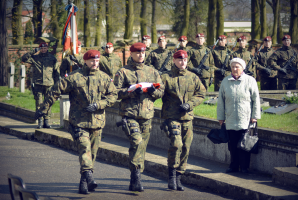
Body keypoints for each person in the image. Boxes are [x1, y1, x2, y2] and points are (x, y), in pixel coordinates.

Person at [34, 50, 118, 194]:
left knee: (92, 154)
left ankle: (83, 182)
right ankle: (90, 178)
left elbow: (113, 95)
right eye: (92, 60)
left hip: (97, 123)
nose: (94, 63)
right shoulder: (75, 77)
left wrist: (100, 104)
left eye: (97, 60)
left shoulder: (104, 78)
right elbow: (55, 90)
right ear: (85, 61)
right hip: (78, 122)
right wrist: (44, 108)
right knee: (85, 149)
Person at [114, 42, 164, 192]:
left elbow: (161, 92)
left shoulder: (152, 71)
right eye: (138, 53)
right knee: (137, 142)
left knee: (141, 147)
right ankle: (136, 175)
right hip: (129, 115)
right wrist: (130, 92)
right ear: (132, 54)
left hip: (147, 115)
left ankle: (134, 177)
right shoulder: (123, 71)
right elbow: (115, 92)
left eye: (143, 53)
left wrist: (151, 91)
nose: (141, 55)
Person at [161, 50, 206, 191]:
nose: (182, 62)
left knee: (186, 147)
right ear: (174, 61)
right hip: (171, 117)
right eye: (179, 60)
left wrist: (190, 104)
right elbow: (157, 92)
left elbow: (202, 93)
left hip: (187, 118)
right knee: (176, 144)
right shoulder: (165, 77)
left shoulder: (193, 77)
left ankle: (179, 176)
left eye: (185, 60)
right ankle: (171, 176)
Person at [217, 58, 261, 174]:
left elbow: (256, 99)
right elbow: (221, 101)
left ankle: (244, 167)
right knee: (232, 145)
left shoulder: (250, 80)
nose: (235, 69)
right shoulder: (226, 81)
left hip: (245, 118)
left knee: (244, 144)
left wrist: (255, 116)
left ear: (243, 68)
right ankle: (234, 166)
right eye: (233, 67)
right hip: (231, 118)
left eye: (237, 67)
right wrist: (221, 117)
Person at [21, 42, 59, 129]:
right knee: (39, 103)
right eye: (42, 48)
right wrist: (33, 51)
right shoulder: (35, 58)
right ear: (39, 49)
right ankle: (40, 121)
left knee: (48, 103)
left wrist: (57, 84)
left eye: (45, 48)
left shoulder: (52, 58)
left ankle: (47, 121)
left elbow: (56, 72)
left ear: (47, 48)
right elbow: (24, 59)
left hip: (49, 84)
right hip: (38, 84)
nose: (43, 50)